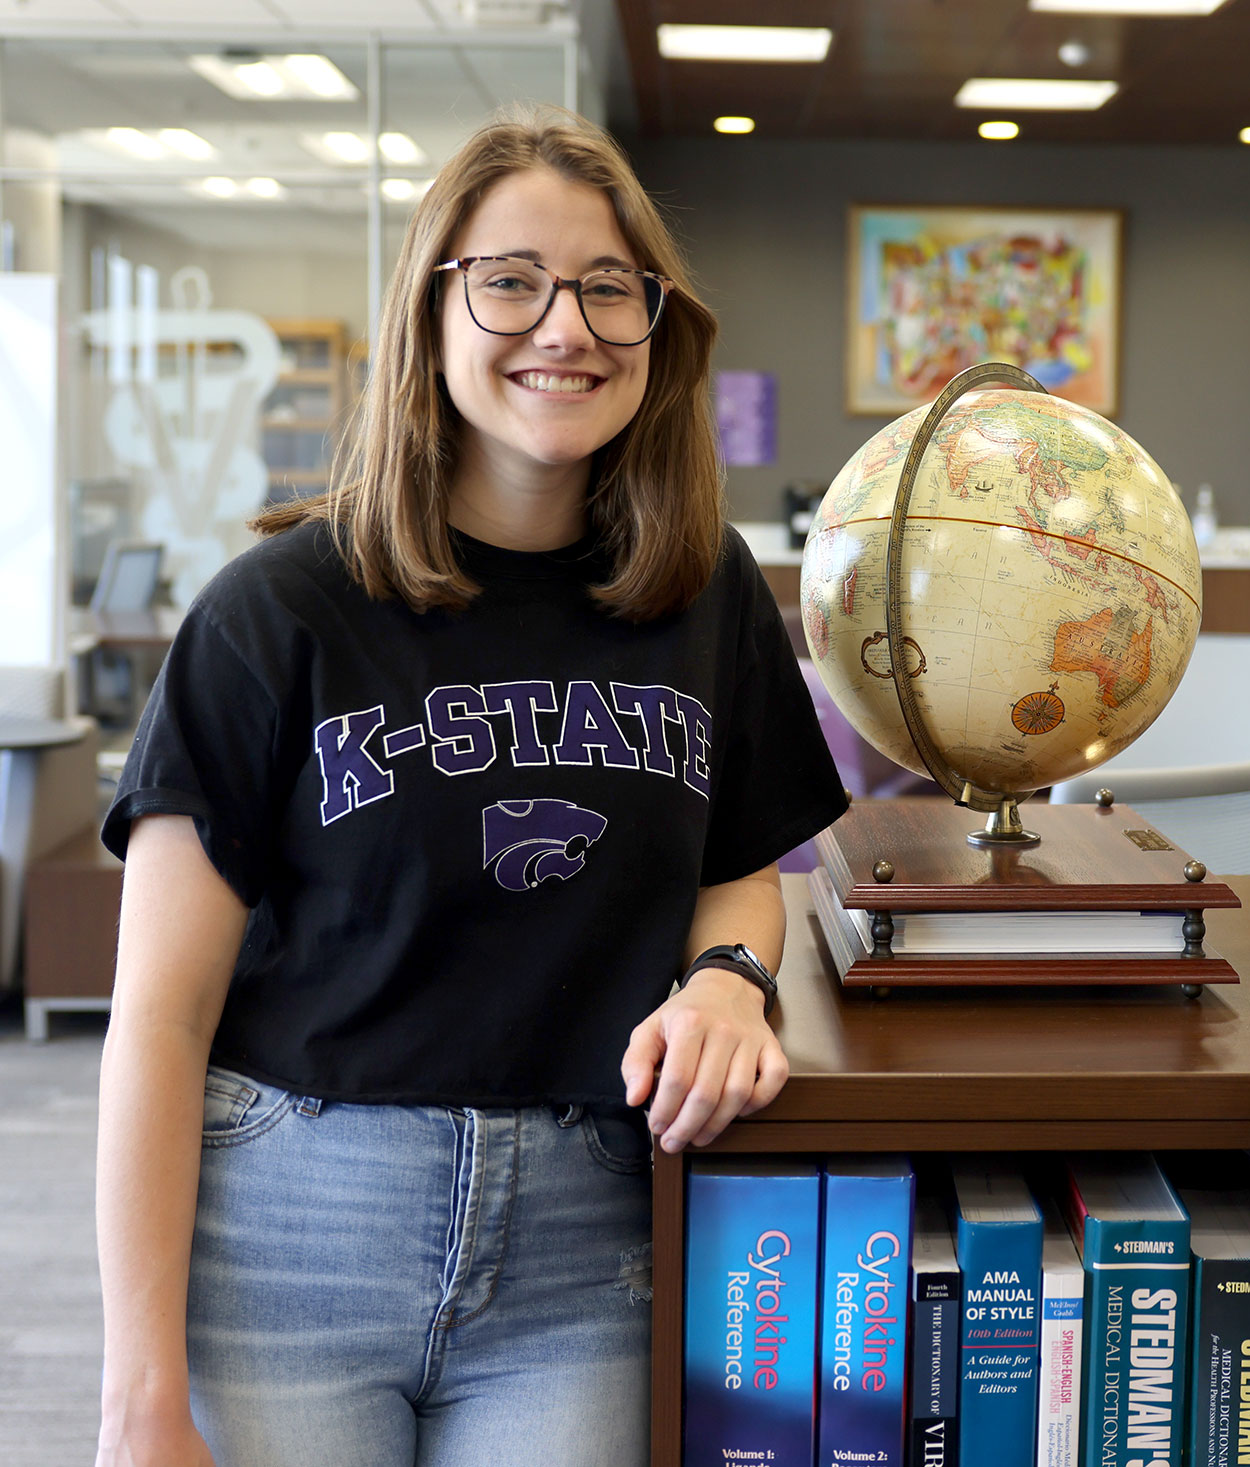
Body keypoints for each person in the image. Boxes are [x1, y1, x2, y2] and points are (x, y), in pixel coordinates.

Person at [93, 107, 848, 1467]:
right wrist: (137, 1397)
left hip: (588, 1239)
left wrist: (729, 977)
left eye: (609, 289)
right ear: (430, 312)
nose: (565, 327)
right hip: (294, 1228)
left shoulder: (704, 589)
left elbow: (741, 859)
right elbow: (157, 1014)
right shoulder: (276, 611)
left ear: (655, 331)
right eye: (510, 280)